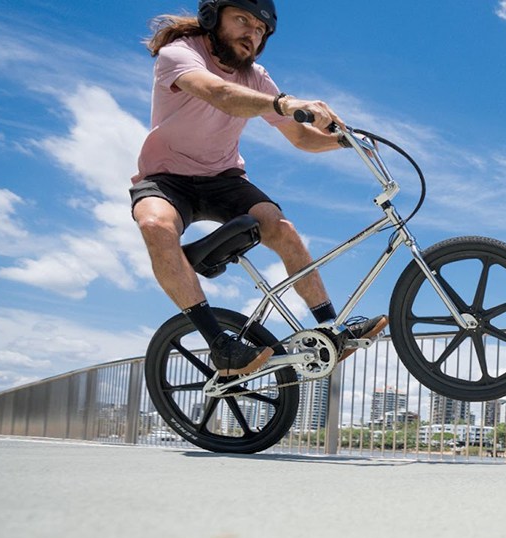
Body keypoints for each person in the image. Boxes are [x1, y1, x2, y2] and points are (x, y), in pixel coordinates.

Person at [130, 0, 384, 376]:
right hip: (167, 179)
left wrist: (346, 140)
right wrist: (286, 103)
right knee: (155, 226)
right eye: (243, 21)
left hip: (224, 179)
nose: (252, 33)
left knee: (283, 231)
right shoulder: (179, 54)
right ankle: (222, 348)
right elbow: (220, 94)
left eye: (260, 30)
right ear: (212, 17)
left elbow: (301, 137)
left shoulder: (256, 77)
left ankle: (332, 331)